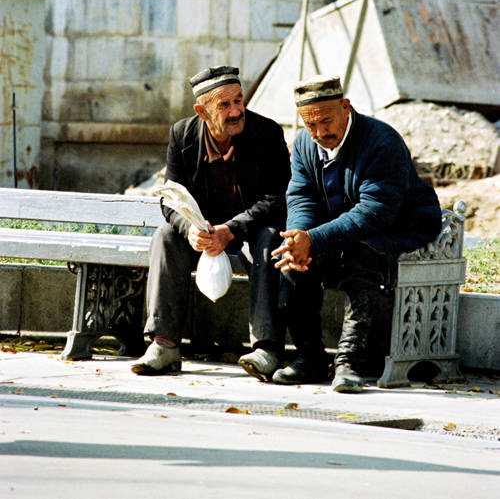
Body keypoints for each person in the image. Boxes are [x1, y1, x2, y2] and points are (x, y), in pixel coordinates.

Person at [271, 74, 442, 392]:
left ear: (345, 107)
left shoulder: (381, 141)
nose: (320, 132)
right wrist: (300, 236)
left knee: (359, 253)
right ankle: (309, 358)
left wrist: (316, 238)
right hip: (345, 230)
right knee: (293, 259)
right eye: (311, 125)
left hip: (401, 229)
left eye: (326, 121)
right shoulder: (305, 145)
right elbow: (301, 196)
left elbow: (375, 213)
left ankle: (350, 363)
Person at [131, 65, 290, 380]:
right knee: (165, 236)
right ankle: (164, 344)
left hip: (249, 232)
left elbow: (276, 199)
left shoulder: (267, 133)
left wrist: (230, 230)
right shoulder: (182, 134)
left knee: (271, 238)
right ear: (201, 112)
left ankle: (266, 348)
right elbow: (169, 197)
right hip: (202, 234)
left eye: (239, 100)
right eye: (225, 104)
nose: (236, 111)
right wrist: (190, 229)